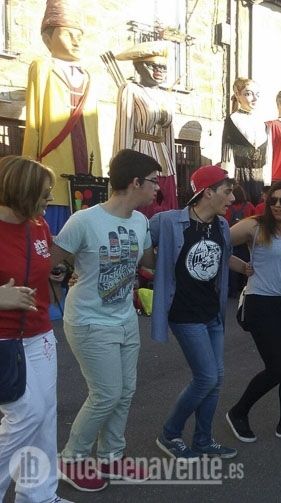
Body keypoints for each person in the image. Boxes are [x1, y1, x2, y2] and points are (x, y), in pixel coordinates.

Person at [51, 150, 160, 491]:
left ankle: (111, 457)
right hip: (89, 320)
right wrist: (63, 271)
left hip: (125, 319)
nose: (158, 188)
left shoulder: (140, 222)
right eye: (154, 182)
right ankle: (71, 459)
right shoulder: (84, 221)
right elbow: (52, 261)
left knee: (124, 392)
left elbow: (147, 262)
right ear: (136, 182)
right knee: (106, 394)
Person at [151, 165, 243, 461]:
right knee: (206, 377)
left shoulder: (222, 226)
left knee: (216, 378)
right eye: (227, 192)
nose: (232, 198)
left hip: (212, 313)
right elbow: (139, 245)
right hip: (184, 313)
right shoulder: (167, 222)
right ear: (207, 193)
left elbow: (223, 257)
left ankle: (203, 439)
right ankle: (170, 433)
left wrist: (246, 268)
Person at [0, 157, 70, 503]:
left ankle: (38, 495)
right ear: (21, 192)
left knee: (45, 414)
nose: (49, 199)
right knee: (26, 413)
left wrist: (55, 273)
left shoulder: (38, 225)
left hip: (39, 333)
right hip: (4, 340)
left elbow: (40, 265)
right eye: (44, 193)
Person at [226, 180, 281, 442]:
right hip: (261, 303)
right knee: (278, 367)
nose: (277, 205)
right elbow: (216, 243)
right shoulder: (254, 226)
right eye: (273, 200)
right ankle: (238, 412)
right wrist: (239, 265)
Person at [22, 0, 102, 234]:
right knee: (54, 232)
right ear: (48, 39)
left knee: (86, 233)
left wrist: (98, 172)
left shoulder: (89, 75)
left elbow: (95, 131)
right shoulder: (42, 67)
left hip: (88, 178)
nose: (76, 41)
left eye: (80, 36)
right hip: (55, 172)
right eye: (68, 34)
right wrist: (29, 172)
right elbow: (34, 123)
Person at [113, 41, 178, 218]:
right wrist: (120, 172)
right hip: (140, 157)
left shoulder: (167, 96)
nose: (159, 71)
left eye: (163, 67)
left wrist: (174, 171)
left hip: (166, 164)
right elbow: (124, 129)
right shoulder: (130, 90)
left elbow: (169, 135)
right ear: (139, 66)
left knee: (166, 214)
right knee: (142, 211)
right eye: (153, 66)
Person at [222, 78, 267, 206]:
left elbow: (268, 155)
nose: (255, 98)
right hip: (240, 179)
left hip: (260, 180)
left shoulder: (263, 122)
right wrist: (229, 184)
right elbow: (227, 156)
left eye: (257, 94)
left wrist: (268, 184)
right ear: (237, 94)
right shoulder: (232, 120)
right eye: (248, 94)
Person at [225, 185, 256, 298]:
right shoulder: (249, 206)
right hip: (246, 240)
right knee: (246, 264)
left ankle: (232, 290)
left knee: (231, 265)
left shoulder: (228, 207)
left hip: (232, 237)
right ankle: (245, 287)